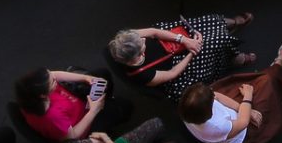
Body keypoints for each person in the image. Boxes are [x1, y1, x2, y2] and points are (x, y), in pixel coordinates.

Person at [178, 44, 282, 143]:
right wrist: (247, 97)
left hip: (231, 115)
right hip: (243, 132)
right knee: (266, 100)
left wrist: (241, 107)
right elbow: (243, 122)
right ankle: (281, 106)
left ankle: (275, 75)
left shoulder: (188, 110)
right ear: (209, 111)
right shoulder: (218, 127)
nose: (212, 92)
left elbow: (217, 96)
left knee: (264, 84)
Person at [109, 14, 256, 91]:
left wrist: (184, 40)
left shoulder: (126, 39)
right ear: (138, 56)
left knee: (207, 21)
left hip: (169, 40)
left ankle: (229, 23)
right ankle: (231, 59)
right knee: (214, 43)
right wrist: (192, 51)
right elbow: (172, 73)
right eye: (142, 45)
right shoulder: (144, 75)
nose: (144, 40)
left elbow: (154, 32)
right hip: (176, 63)